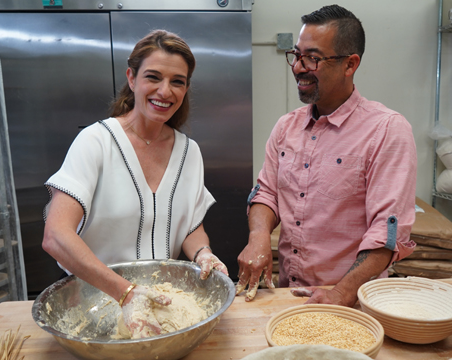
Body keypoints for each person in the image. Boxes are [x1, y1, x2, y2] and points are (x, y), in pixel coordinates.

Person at [42, 30, 228, 338]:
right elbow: (56, 235)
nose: (165, 91)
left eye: (177, 81)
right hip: (95, 307)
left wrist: (203, 253)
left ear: (186, 88)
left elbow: (189, 224)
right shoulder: (96, 141)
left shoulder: (189, 152)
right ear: (132, 78)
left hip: (165, 303)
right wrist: (126, 293)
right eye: (153, 77)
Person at [236, 5, 417, 307]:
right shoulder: (286, 127)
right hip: (285, 295)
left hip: (349, 301)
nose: (298, 67)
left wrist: (341, 293)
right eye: (296, 55)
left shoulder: (386, 130)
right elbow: (267, 193)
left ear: (350, 64)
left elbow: (387, 231)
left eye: (313, 58)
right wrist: (258, 237)